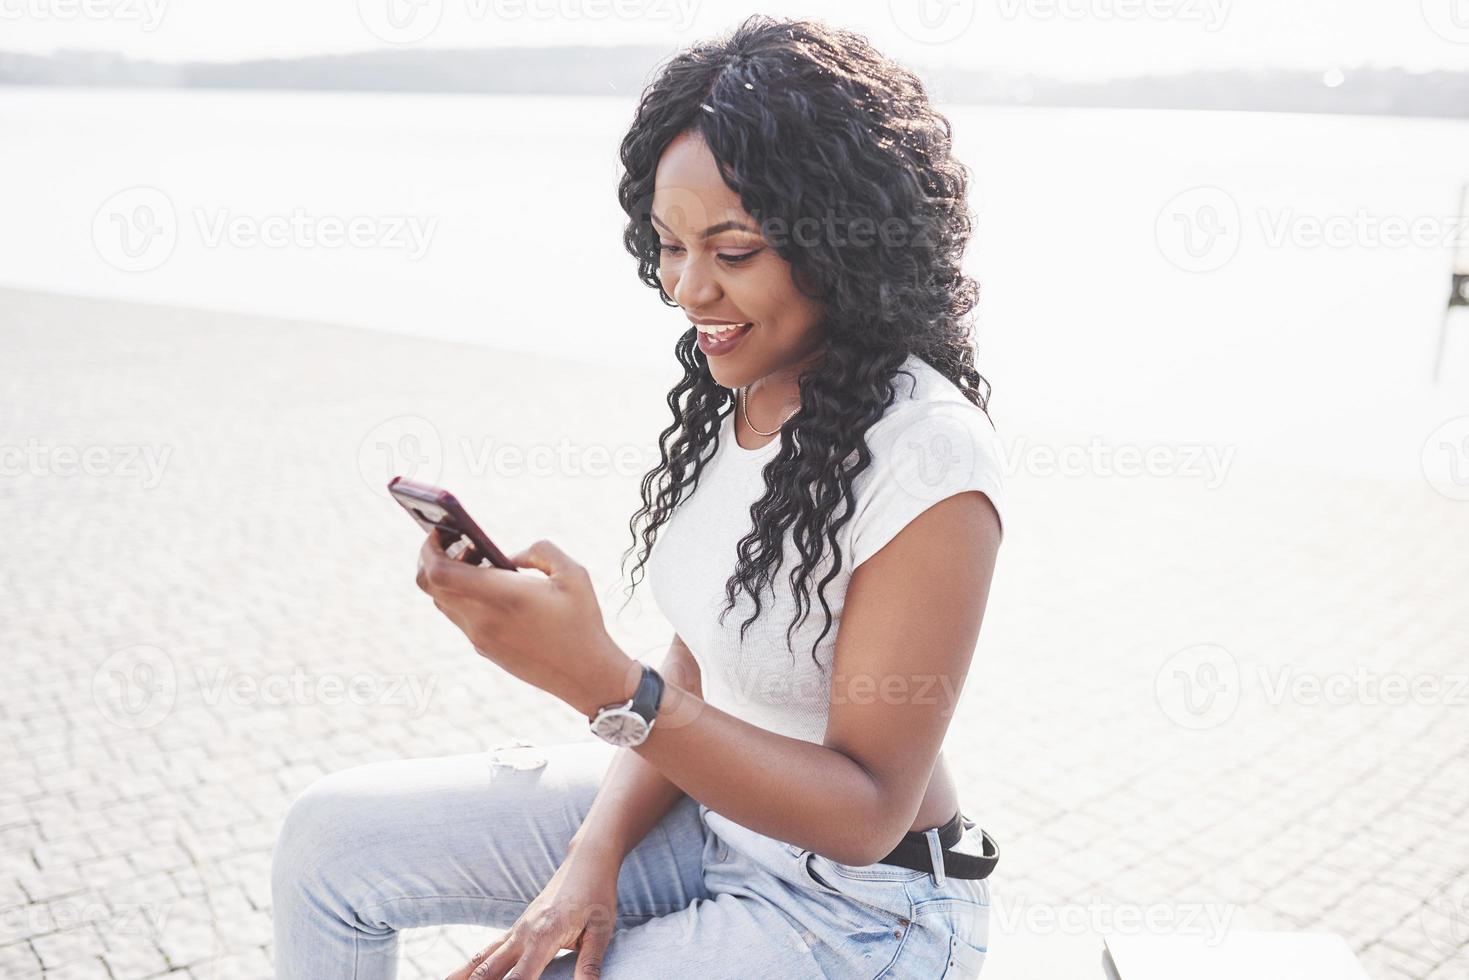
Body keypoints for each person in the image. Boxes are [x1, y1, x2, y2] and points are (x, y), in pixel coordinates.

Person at [271, 14, 1006, 979]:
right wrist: (590, 856)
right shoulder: (748, 390)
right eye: (667, 245)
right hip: (713, 818)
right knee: (329, 843)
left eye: (732, 251)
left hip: (863, 913)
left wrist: (606, 686)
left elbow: (865, 813)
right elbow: (705, 656)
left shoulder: (928, 455)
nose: (688, 289)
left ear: (843, 247)